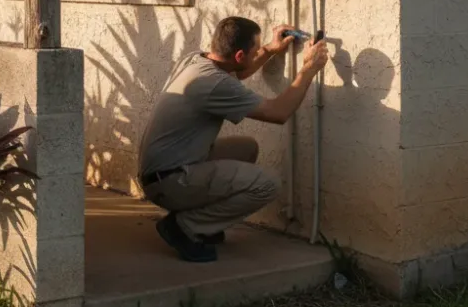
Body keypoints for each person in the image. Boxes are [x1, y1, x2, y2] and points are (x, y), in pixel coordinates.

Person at [137, 16, 330, 263]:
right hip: (169, 182)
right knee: (267, 185)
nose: (259, 51)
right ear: (239, 55)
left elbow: (239, 71)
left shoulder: (198, 60)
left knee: (246, 148)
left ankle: (202, 219)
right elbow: (278, 113)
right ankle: (184, 226)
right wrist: (309, 68)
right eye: (255, 49)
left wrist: (270, 49)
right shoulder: (213, 84)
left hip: (162, 171)